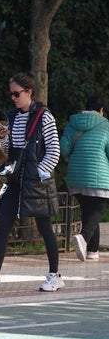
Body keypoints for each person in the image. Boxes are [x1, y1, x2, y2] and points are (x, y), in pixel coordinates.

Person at [0, 71, 63, 292]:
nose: (12, 98)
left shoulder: (44, 116)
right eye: (11, 94)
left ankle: (55, 275)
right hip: (15, 179)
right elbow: (9, 152)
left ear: (29, 92)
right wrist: (3, 136)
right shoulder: (13, 117)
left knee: (44, 228)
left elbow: (54, 151)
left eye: (16, 94)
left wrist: (39, 172)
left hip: (36, 181)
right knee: (3, 223)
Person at [60, 96, 109, 262]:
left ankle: (92, 251)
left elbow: (64, 150)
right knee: (98, 210)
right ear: (101, 110)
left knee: (88, 212)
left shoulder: (72, 124)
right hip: (99, 176)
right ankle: (83, 237)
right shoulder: (105, 125)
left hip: (76, 176)